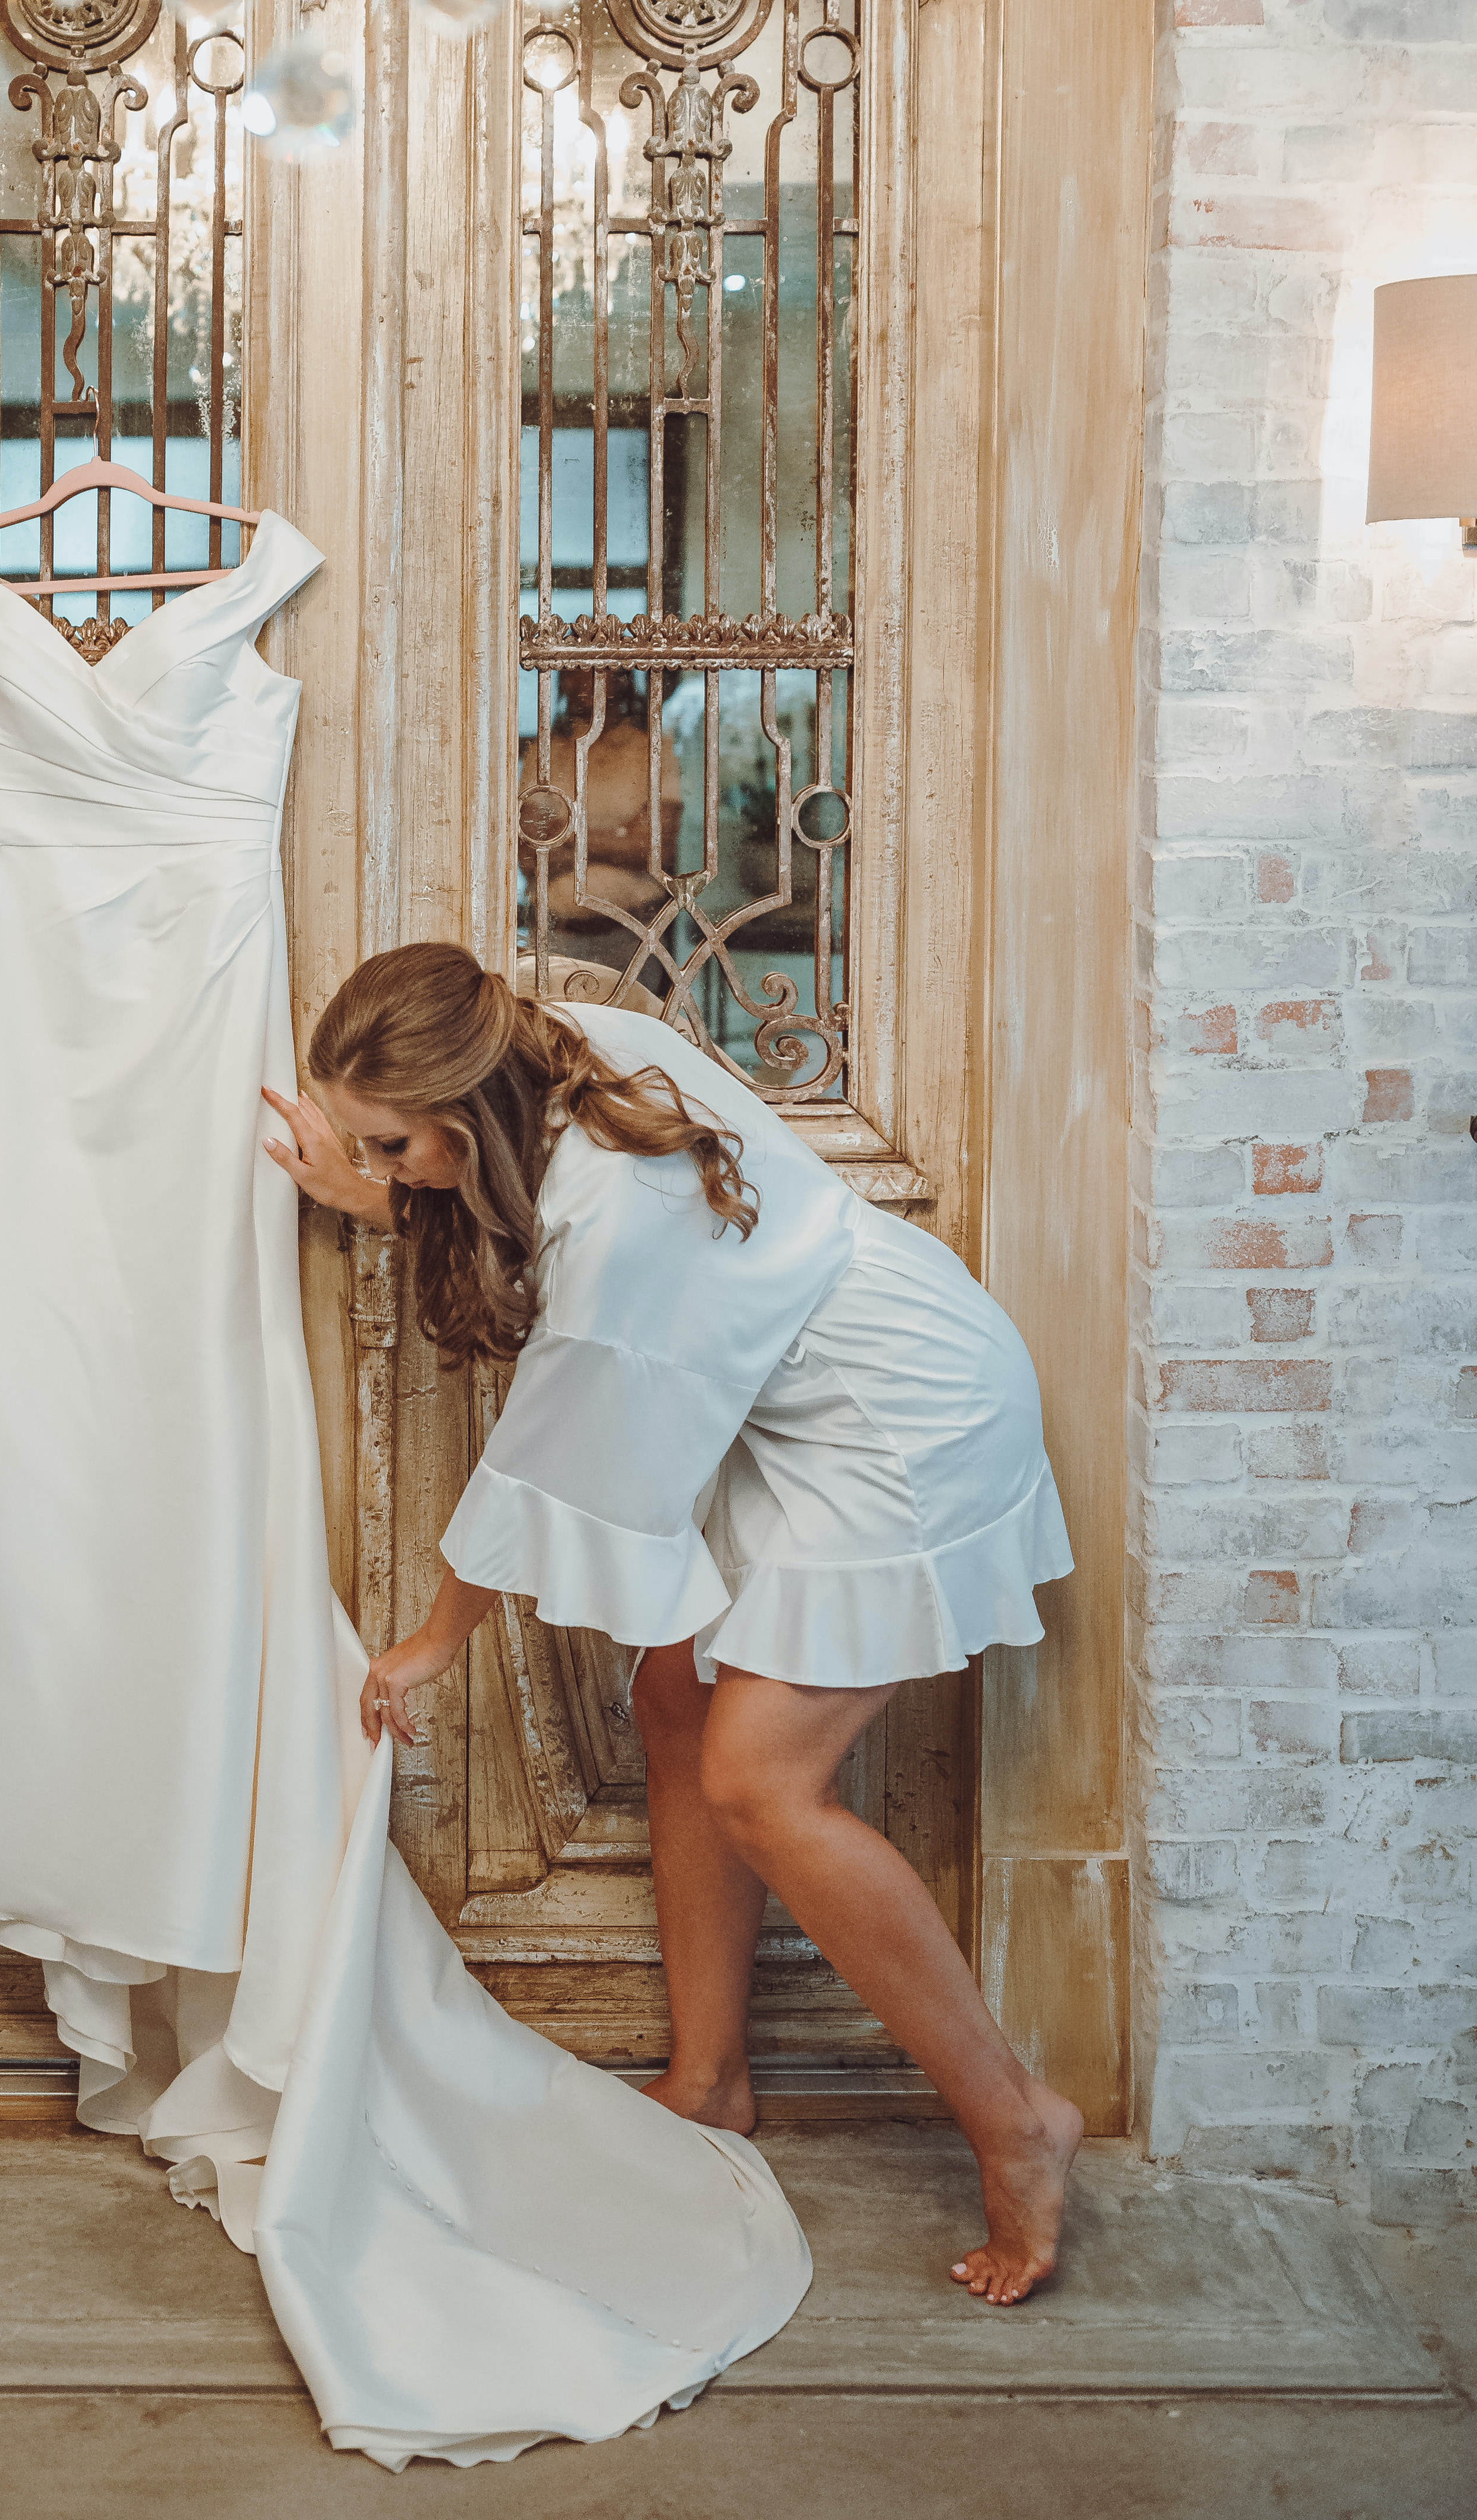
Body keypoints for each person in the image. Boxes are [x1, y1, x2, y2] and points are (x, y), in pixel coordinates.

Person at [261, 941, 1083, 2309]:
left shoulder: (619, 1221)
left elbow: (553, 1456)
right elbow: (549, 1313)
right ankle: (709, 2080)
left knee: (762, 1785)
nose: (382, 1169)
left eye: (392, 1145)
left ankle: (1016, 2120)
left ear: (464, 1118)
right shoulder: (553, 1038)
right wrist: (375, 1191)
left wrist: (436, 1636)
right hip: (778, 1396)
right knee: (672, 1701)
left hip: (896, 1415)